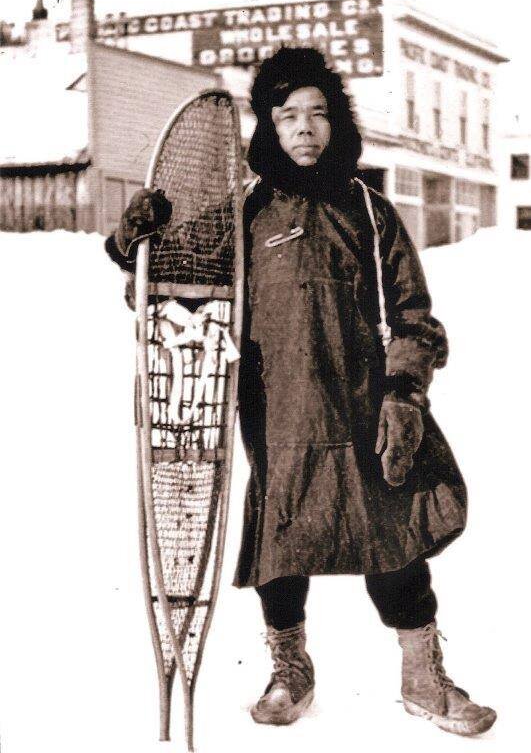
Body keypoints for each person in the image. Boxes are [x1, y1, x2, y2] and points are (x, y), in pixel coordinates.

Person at [106, 47, 496, 737]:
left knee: (391, 535)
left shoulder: (371, 214)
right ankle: (290, 669)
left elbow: (412, 315)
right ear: (269, 128)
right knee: (281, 536)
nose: (304, 128)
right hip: (276, 407)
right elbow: (167, 279)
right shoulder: (242, 214)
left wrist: (404, 392)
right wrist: (131, 238)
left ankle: (420, 677)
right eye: (288, 116)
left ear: (337, 124)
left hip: (364, 404)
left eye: (318, 113)